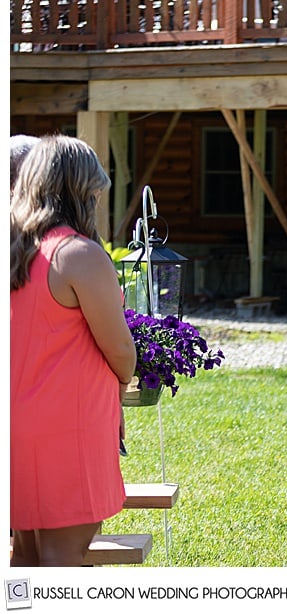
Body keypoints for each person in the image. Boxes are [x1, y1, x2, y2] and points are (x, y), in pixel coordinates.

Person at [10, 135, 137, 566]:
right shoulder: (77, 254)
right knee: (65, 560)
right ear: (81, 190)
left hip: (15, 424)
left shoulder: (15, 252)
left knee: (25, 558)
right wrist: (124, 378)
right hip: (67, 426)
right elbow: (120, 346)